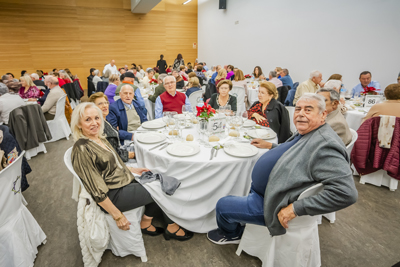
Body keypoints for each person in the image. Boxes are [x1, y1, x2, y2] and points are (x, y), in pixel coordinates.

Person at [207, 94, 358, 244]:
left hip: (272, 204)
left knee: (222, 205)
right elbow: (294, 150)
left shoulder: (325, 146)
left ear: (323, 114)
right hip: (267, 191)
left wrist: (295, 208)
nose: (300, 114)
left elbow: (346, 193)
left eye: (308, 110)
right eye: (298, 109)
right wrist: (271, 146)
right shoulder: (310, 131)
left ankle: (232, 234)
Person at [71, 102, 193, 240]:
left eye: (97, 118)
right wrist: (117, 216)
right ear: (78, 124)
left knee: (159, 177)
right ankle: (171, 227)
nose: (94, 123)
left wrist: (133, 169)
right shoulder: (81, 148)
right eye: (88, 119)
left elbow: (112, 165)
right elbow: (96, 189)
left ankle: (146, 222)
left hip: (123, 182)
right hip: (113, 194)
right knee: (161, 188)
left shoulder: (97, 138)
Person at [89, 92, 135, 162]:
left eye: (106, 102)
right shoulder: (98, 127)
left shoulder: (105, 120)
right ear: (92, 108)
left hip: (120, 151)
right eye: (100, 104)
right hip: (117, 162)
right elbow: (112, 155)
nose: (105, 106)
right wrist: (133, 155)